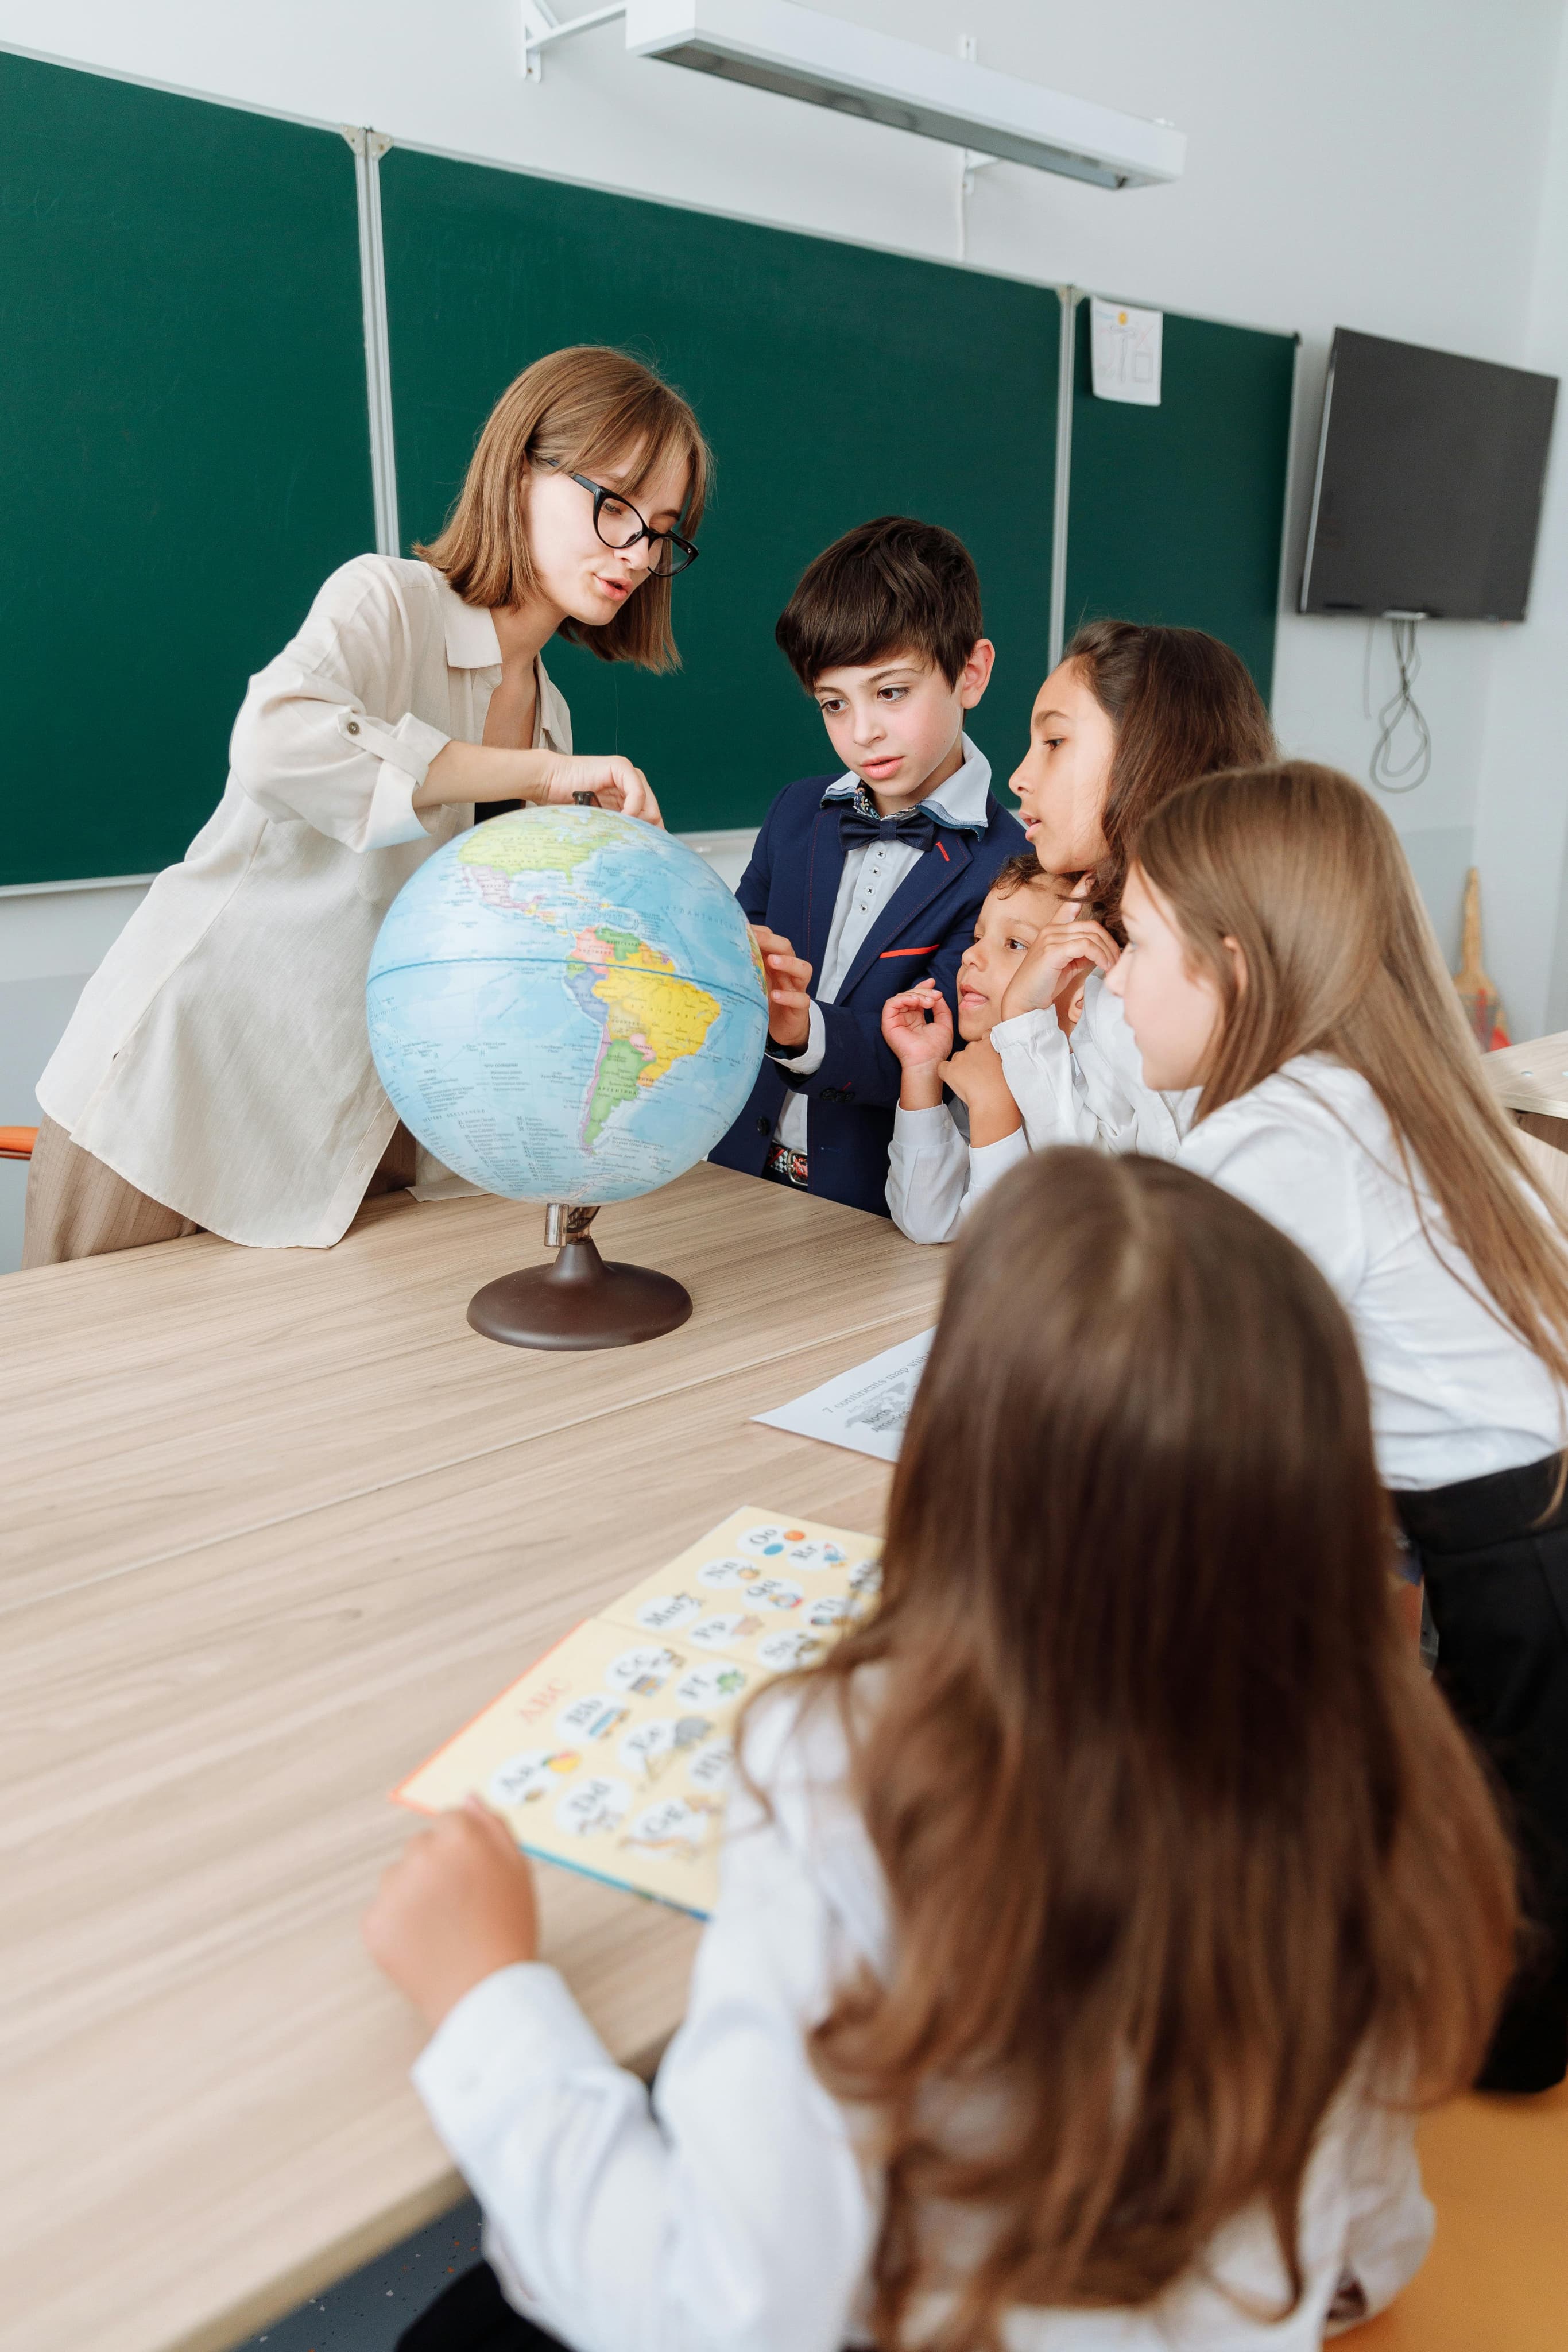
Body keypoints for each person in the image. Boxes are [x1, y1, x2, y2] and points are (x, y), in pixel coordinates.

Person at [364, 1148, 1513, 2352]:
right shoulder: (1387, 1759)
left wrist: (487, 1998)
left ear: (956, 1460)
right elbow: (1367, 2251)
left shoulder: (851, 1768)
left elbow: (721, 2315)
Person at [25, 346, 706, 1263]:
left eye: (661, 531)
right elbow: (274, 742)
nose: (635, 552)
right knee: (88, 1397)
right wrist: (531, 780)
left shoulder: (553, 720)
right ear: (519, 474)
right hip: (175, 1103)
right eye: (614, 504)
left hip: (332, 1153)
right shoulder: (389, 603)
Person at [1110, 757, 1568, 2094]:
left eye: (1136, 945)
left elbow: (1151, 1375)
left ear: (1234, 968)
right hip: (1519, 1534)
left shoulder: (1286, 1136)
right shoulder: (1378, 1088)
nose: (1114, 981)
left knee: (1507, 1986)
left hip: (1516, 1565)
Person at [707, 516, 1025, 1217]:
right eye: (833, 703)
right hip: (730, 1172)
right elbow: (732, 957)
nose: (862, 732)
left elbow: (937, 1057)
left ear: (969, 673)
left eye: (891, 692)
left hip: (873, 1208)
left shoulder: (1012, 870)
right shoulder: (796, 812)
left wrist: (801, 1028)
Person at [982, 617, 1275, 1158]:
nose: (1019, 777)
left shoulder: (1237, 964)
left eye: (1054, 741)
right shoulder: (1110, 962)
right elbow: (1093, 1181)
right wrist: (1023, 1014)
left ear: (1152, 749)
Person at [881, 848, 1082, 1241]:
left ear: (1085, 991)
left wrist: (994, 1110)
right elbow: (927, 1222)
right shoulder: (987, 1063)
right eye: (977, 937)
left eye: (1015, 944)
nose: (971, 955)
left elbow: (1011, 1252)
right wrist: (922, 1071)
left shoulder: (1090, 1098)